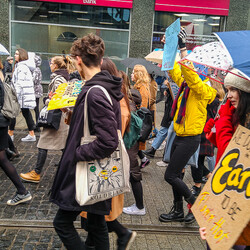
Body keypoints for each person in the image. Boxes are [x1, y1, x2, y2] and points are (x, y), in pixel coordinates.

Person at [50, 34, 123, 250]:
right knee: (96, 222)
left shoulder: (94, 93)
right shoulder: (100, 88)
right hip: (95, 172)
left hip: (84, 170)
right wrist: (73, 114)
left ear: (78, 60)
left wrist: (76, 154)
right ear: (100, 61)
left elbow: (108, 141)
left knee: (62, 223)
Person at [159, 30, 217, 224]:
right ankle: (177, 210)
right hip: (179, 135)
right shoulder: (186, 85)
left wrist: (184, 48)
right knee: (178, 174)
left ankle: (195, 205)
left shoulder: (206, 90)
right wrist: (170, 47)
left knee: (170, 175)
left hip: (190, 138)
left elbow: (190, 76)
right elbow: (172, 70)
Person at [81, 60, 137, 250]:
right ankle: (121, 235)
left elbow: (113, 138)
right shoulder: (110, 97)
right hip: (101, 164)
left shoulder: (114, 101)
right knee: (96, 219)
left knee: (99, 218)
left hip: (106, 166)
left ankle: (123, 234)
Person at [201, 68, 250, 249]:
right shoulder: (237, 114)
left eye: (233, 89)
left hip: (240, 195)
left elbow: (231, 153)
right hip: (228, 190)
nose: (228, 95)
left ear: (245, 90)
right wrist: (213, 132)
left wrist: (223, 122)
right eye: (227, 89)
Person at [19, 55, 72, 184]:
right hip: (58, 118)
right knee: (63, 146)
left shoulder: (59, 79)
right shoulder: (61, 77)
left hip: (56, 118)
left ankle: (36, 173)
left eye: (51, 62)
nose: (50, 64)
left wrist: (47, 100)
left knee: (43, 143)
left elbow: (60, 99)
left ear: (57, 65)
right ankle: (71, 168)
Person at [0, 65, 32, 206]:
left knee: (2, 158)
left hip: (0, 121)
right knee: (1, 158)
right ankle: (22, 191)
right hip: (2, 121)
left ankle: (22, 191)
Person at [190, 79, 225, 197]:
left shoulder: (211, 100)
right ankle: (208, 177)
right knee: (198, 160)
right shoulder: (220, 101)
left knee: (196, 161)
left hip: (203, 131)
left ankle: (198, 185)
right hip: (208, 132)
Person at [8, 48, 36, 142]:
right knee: (26, 113)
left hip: (20, 95)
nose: (14, 55)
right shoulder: (20, 66)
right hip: (22, 95)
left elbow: (20, 83)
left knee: (13, 113)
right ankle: (31, 134)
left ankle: (10, 134)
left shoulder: (22, 67)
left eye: (16, 54)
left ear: (21, 55)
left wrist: (14, 96)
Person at [143, 79, 173, 158]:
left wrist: (169, 87)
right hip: (169, 111)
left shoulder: (177, 83)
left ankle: (155, 150)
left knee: (165, 131)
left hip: (171, 112)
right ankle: (154, 149)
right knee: (164, 131)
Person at [131, 64, 151, 168]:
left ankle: (140, 162)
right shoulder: (139, 86)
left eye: (133, 72)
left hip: (139, 121)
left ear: (139, 74)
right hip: (137, 120)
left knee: (135, 143)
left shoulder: (142, 88)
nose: (131, 74)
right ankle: (143, 159)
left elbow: (142, 108)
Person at [33, 54, 43, 131]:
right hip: (37, 89)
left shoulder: (36, 69)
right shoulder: (38, 69)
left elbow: (34, 80)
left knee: (36, 108)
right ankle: (37, 125)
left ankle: (37, 125)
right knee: (36, 108)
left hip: (35, 90)